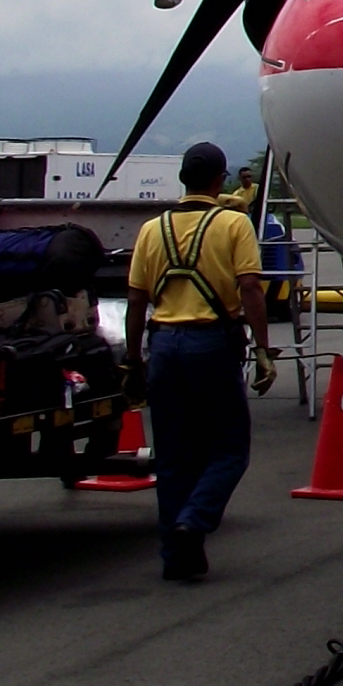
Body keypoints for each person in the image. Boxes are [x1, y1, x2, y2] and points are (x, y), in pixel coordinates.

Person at [124, 142, 273, 583]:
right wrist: (263, 349)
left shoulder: (153, 229)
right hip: (211, 343)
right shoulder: (233, 223)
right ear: (219, 180)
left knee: (173, 456)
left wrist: (134, 361)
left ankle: (177, 557)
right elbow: (250, 288)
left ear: (183, 179)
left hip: (164, 346)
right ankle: (195, 518)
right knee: (229, 448)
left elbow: (136, 301)